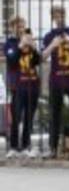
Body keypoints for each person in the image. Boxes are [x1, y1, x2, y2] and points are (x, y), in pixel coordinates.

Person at [42, 7, 69, 159]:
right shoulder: (49, 36)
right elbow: (42, 57)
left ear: (64, 15)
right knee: (54, 115)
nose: (58, 18)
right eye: (55, 15)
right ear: (52, 18)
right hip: (56, 80)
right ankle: (52, 148)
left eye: (60, 14)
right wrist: (52, 45)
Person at [5, 19, 41, 156]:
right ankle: (14, 147)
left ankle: (26, 146)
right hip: (18, 86)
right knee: (16, 117)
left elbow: (37, 61)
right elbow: (12, 60)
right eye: (17, 26)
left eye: (22, 26)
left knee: (29, 118)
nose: (20, 29)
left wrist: (34, 46)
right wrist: (21, 45)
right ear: (12, 28)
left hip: (32, 84)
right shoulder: (10, 43)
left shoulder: (29, 42)